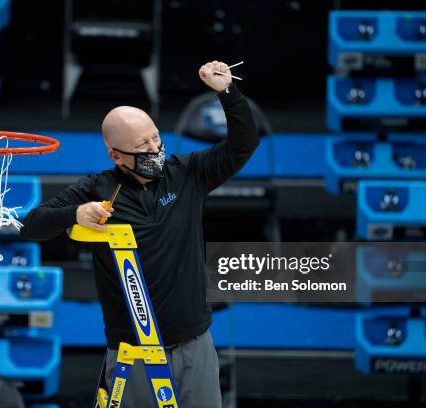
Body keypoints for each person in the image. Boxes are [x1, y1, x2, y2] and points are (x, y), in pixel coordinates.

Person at [20, 60, 259, 407]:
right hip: (132, 353)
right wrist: (75, 213)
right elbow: (31, 225)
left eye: (155, 138)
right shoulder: (96, 188)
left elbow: (243, 145)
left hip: (195, 343)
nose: (154, 150)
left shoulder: (187, 173)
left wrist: (227, 92)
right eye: (142, 146)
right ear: (116, 155)